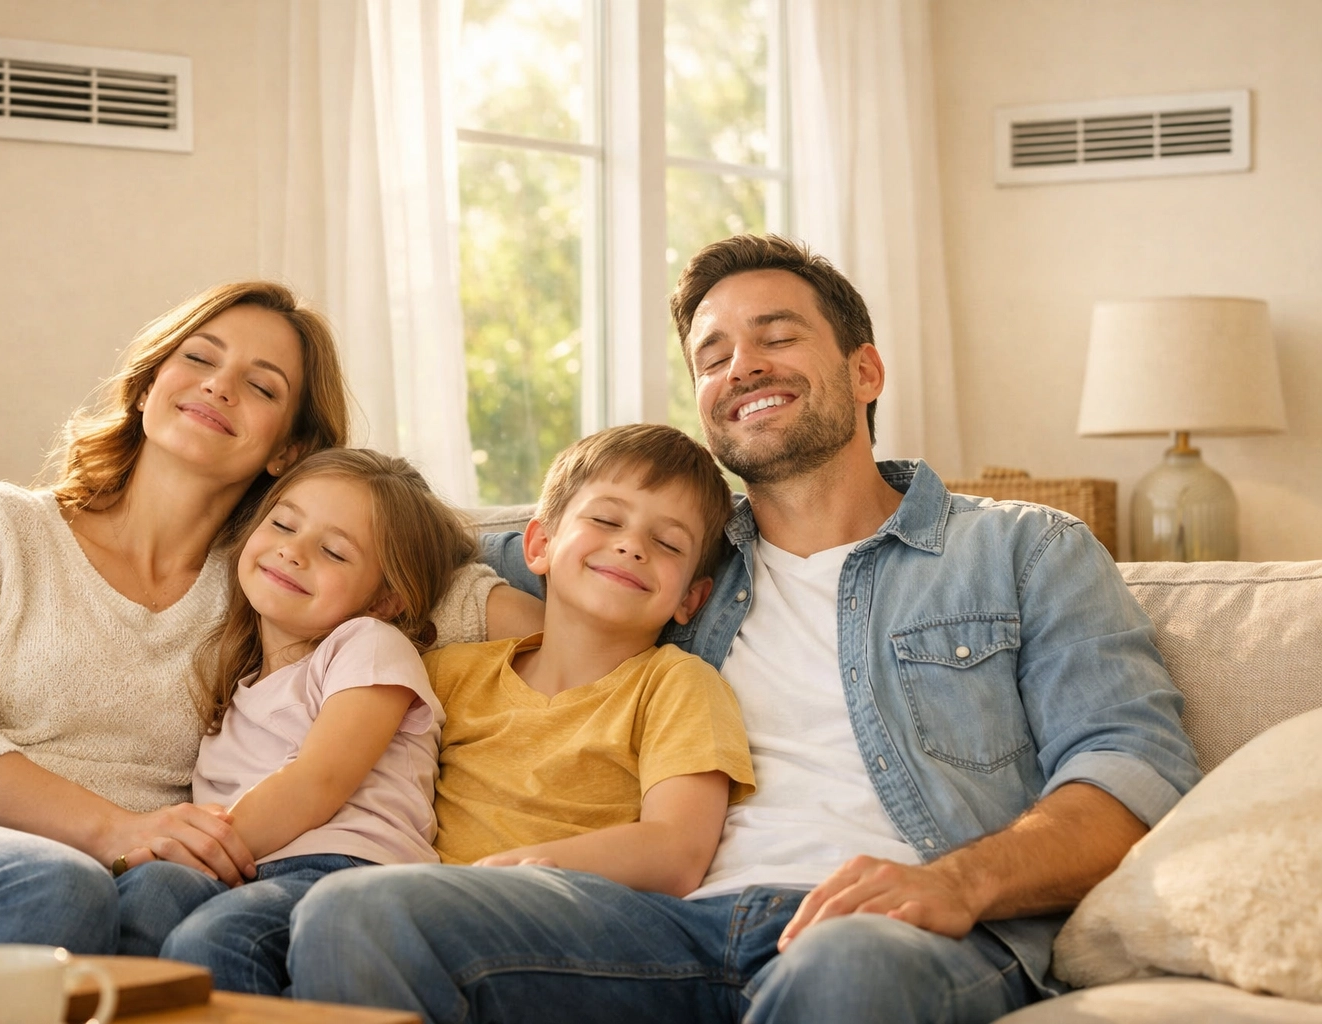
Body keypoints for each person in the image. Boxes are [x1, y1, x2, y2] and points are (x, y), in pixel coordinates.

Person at [286, 236, 1204, 1023]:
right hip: (667, 927)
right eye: (713, 354)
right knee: (361, 913)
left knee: (847, 966)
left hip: (900, 931)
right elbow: (404, 537)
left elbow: (1132, 770)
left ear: (865, 371)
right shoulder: (671, 557)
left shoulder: (1021, 549)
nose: (743, 367)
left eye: (778, 336)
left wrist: (956, 882)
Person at [0, 282, 520, 952]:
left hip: (117, 885)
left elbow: (470, 595)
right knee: (59, 886)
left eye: (261, 386)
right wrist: (115, 830)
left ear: (289, 450)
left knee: (121, 903)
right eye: (199, 357)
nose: (219, 385)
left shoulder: (272, 579)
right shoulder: (1, 525)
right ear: (146, 388)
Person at [113, 448, 477, 994]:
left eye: (333, 552)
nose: (292, 550)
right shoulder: (236, 685)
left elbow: (317, 782)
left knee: (213, 941)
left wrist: (199, 848)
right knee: (144, 897)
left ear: (384, 600)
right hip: (248, 870)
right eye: (283, 524)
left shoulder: (368, 644)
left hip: (346, 869)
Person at [425, 423, 753, 897]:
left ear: (691, 598)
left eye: (668, 543)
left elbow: (677, 851)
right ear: (540, 546)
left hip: (560, 910)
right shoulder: (450, 674)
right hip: (417, 902)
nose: (632, 546)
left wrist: (508, 873)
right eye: (605, 520)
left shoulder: (678, 686)